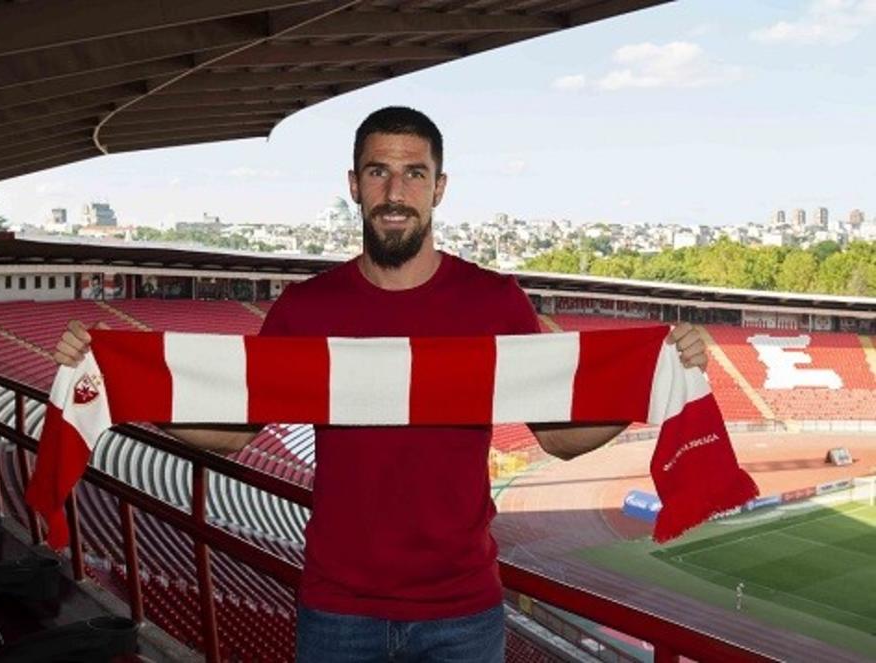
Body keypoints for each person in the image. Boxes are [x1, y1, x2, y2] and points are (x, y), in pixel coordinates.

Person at [54, 107, 708, 662]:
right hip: (339, 611)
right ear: (354, 185)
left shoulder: (494, 302)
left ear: (439, 187)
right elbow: (232, 433)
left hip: (462, 611)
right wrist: (120, 382)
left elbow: (559, 439)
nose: (396, 191)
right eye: (378, 172)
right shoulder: (306, 310)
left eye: (414, 173)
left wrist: (656, 379)